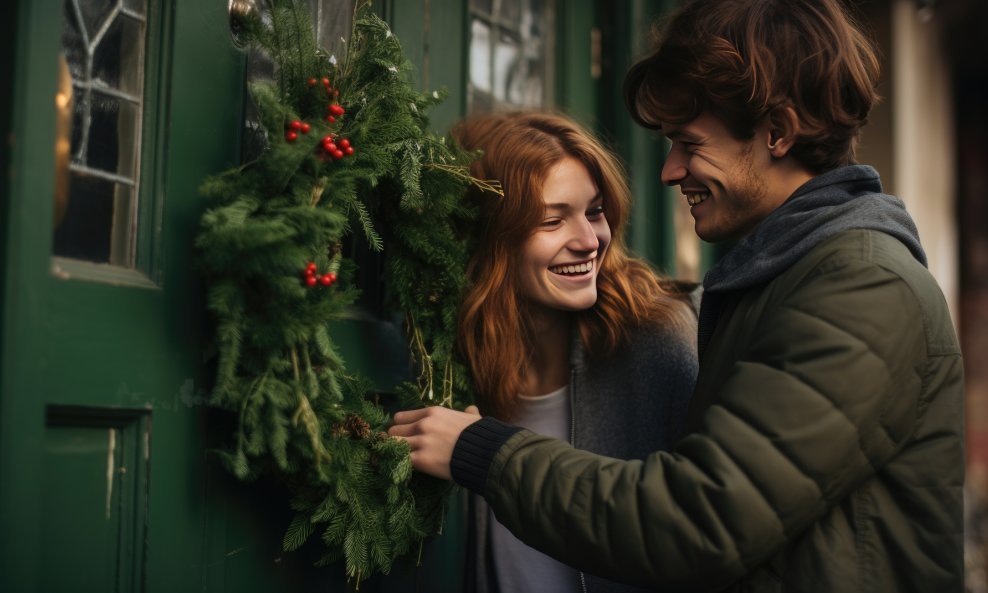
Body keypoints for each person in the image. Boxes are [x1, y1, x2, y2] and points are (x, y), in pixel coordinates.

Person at [390, 0, 965, 591]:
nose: (669, 170)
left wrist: (482, 452)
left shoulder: (857, 289)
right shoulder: (790, 278)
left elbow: (701, 521)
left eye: (690, 144)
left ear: (778, 132)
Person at [448, 111, 699, 593]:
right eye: (552, 219)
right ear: (492, 237)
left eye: (595, 211)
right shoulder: (459, 359)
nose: (588, 241)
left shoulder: (658, 342)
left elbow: (705, 526)